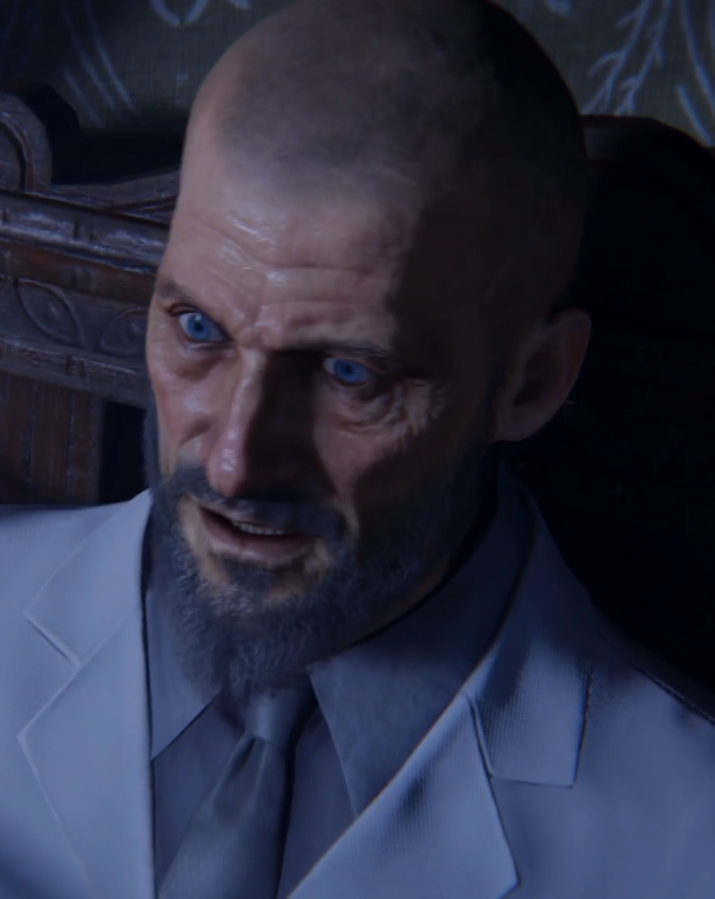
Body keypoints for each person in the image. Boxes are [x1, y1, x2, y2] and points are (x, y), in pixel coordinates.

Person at [1, 0, 714, 897]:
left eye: (348, 373)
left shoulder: (690, 835)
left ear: (530, 383)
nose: (232, 462)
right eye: (197, 327)